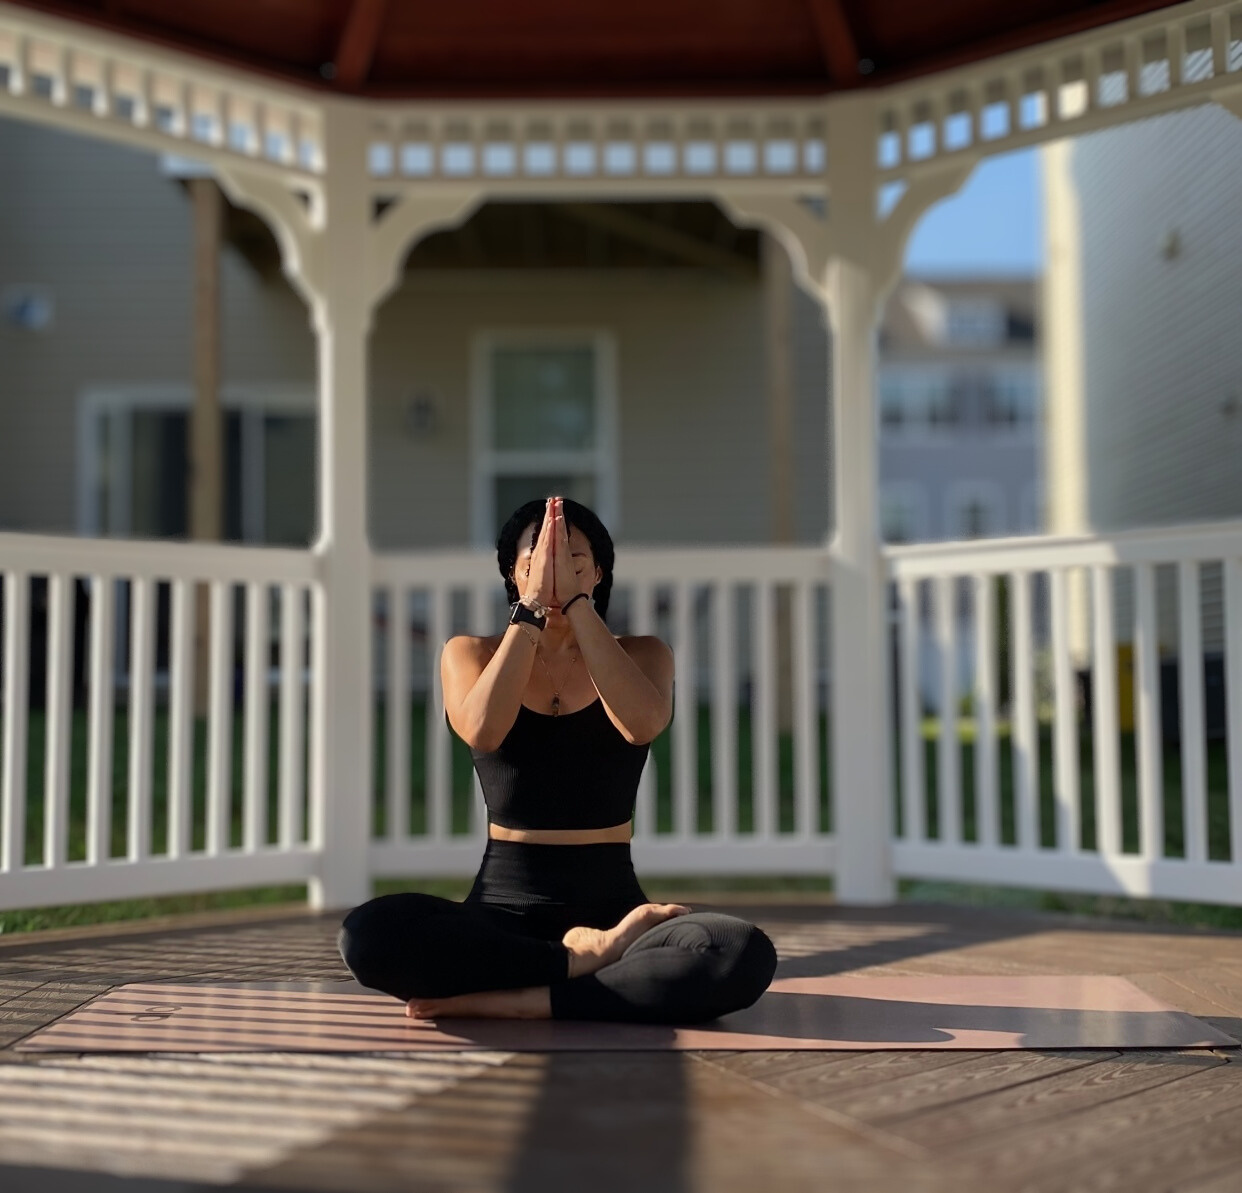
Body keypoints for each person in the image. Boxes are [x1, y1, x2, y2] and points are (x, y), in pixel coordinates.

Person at [338, 496, 777, 1024]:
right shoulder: (470, 653)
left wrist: (576, 606)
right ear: (512, 571)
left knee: (740, 952)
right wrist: (531, 611)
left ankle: (527, 998)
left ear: (599, 572)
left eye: (573, 560)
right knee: (367, 936)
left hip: (616, 912)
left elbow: (641, 724)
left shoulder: (644, 654)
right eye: (538, 558)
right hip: (501, 910)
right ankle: (576, 967)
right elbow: (484, 730)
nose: (554, 572)